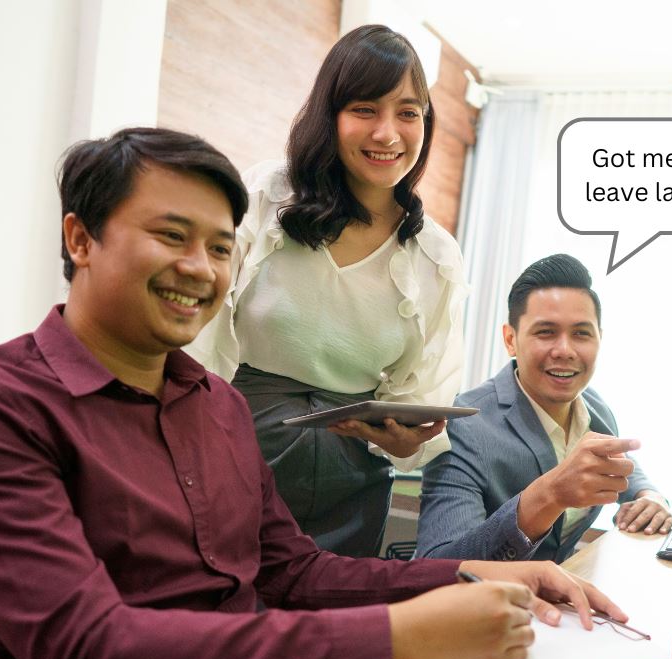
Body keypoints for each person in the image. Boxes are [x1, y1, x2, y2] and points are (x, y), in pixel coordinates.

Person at [0, 129, 624, 659]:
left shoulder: (216, 405)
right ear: (81, 239)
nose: (200, 268)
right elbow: (93, 656)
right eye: (171, 235)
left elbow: (295, 573)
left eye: (221, 247)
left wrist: (472, 570)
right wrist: (400, 634)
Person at [186, 25, 466, 557]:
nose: (388, 133)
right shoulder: (269, 196)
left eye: (408, 113)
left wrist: (407, 437)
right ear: (329, 114)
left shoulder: (434, 255)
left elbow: (423, 391)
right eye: (365, 109)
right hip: (234, 458)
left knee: (328, 627)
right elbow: (199, 331)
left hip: (350, 483)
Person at [416, 254, 672, 563]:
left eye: (581, 333)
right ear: (510, 340)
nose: (565, 350)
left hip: (555, 602)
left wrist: (651, 497)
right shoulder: (463, 424)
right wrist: (548, 496)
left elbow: (623, 466)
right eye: (545, 332)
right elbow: (439, 567)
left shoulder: (594, 407)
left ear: (599, 340)